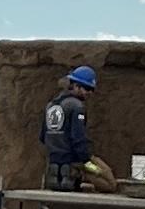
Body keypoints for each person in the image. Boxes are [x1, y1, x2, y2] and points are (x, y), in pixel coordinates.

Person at [38, 65, 117, 193]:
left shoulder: (50, 106)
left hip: (54, 163)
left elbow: (43, 137)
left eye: (91, 89)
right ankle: (81, 175)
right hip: (76, 161)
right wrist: (86, 163)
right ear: (75, 86)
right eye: (86, 88)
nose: (89, 93)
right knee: (109, 182)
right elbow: (78, 138)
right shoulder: (77, 106)